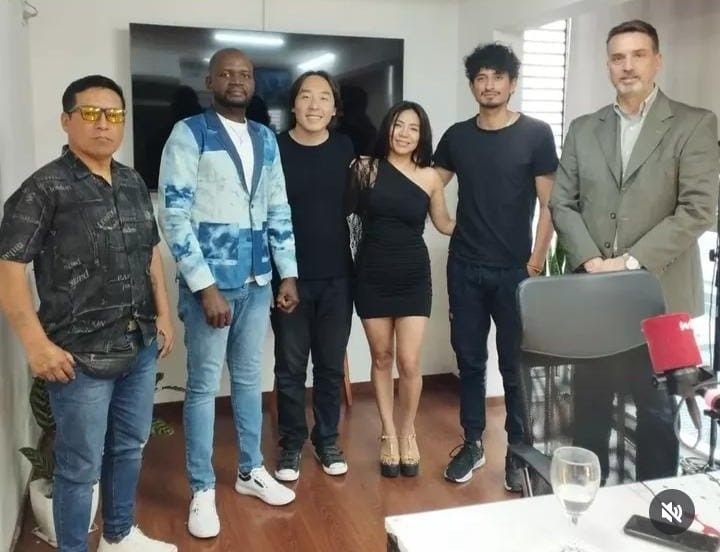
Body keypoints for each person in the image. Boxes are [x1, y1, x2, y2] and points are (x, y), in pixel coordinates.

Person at [0, 75, 177, 552]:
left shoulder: (132, 182)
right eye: (91, 113)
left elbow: (150, 255)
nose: (104, 124)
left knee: (129, 446)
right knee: (79, 469)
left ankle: (118, 536)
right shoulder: (43, 189)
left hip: (138, 346)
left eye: (114, 115)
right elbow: (9, 268)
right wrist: (36, 345)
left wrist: (163, 316)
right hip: (78, 360)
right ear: (67, 120)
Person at [550, 19, 719, 482]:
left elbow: (697, 209)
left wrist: (627, 264)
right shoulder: (584, 129)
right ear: (608, 66)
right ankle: (589, 505)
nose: (627, 66)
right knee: (589, 410)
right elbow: (562, 202)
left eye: (638, 55)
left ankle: (657, 509)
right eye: (618, 57)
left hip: (662, 300)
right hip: (594, 298)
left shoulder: (694, 124)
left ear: (657, 61)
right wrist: (591, 261)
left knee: (658, 415)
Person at [158, 48, 299, 539]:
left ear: (253, 82)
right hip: (213, 289)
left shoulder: (264, 137)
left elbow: (278, 207)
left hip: (258, 281)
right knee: (202, 388)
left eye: (245, 74)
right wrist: (205, 287)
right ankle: (201, 489)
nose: (237, 80)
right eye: (226, 73)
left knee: (248, 379)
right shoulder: (190, 133)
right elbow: (174, 215)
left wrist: (287, 273)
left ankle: (250, 471)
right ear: (210, 81)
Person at [433, 43, 558, 491]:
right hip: (465, 267)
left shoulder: (536, 134)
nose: (489, 85)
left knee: (514, 366)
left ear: (512, 83)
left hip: (514, 273)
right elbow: (431, 182)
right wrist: (444, 221)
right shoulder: (457, 136)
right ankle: (472, 443)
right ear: (472, 85)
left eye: (497, 77)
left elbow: (549, 204)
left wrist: (535, 262)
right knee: (469, 361)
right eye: (481, 78)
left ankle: (518, 453)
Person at [347, 100, 455, 477]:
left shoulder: (430, 178)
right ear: (387, 129)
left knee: (408, 361)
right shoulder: (365, 168)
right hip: (372, 273)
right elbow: (349, 222)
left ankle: (408, 431)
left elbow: (444, 224)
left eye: (413, 127)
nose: (404, 133)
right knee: (381, 357)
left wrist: (486, 222)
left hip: (413, 274)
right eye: (398, 125)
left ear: (422, 136)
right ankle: (388, 434)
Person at [272, 71, 355, 483]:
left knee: (328, 366)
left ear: (334, 108)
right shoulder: (275, 148)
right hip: (289, 278)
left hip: (338, 276)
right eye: (306, 96)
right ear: (293, 104)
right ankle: (291, 443)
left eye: (324, 97)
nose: (314, 105)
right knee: (289, 367)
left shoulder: (345, 148)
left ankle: (327, 440)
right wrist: (281, 274)